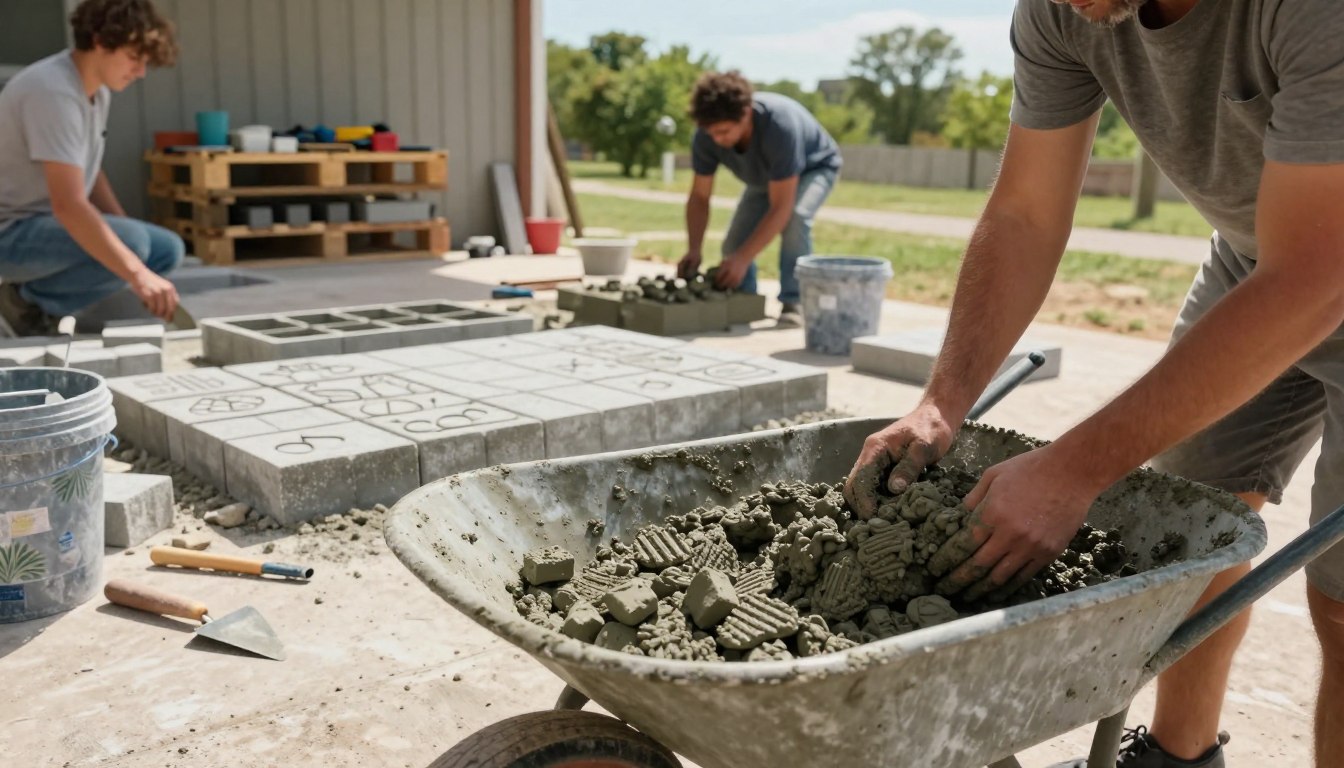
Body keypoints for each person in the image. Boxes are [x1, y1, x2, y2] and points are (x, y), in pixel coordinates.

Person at [843, 1, 1344, 766]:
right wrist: (942, 403)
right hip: (1257, 260)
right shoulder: (1060, 9)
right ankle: (1180, 757)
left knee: (1342, 607)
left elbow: (1315, 276)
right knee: (1194, 535)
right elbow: (1024, 215)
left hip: (1317, 263)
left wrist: (1073, 469)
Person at [0, 0, 183, 337]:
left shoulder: (95, 91)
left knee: (163, 249)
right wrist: (136, 272)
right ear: (101, 41)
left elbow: (88, 170)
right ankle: (22, 304)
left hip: (45, 227)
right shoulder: (52, 90)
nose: (141, 72)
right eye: (134, 57)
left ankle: (40, 305)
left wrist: (124, 232)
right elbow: (68, 205)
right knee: (135, 248)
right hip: (10, 233)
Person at [676, 71, 842, 328]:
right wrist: (694, 249)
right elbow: (699, 196)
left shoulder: (779, 126)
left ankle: (794, 301)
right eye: (712, 133)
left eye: (724, 131)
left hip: (814, 167)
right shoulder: (706, 136)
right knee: (733, 246)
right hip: (764, 177)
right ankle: (745, 300)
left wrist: (744, 259)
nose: (718, 140)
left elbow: (782, 207)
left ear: (745, 113)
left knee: (796, 218)